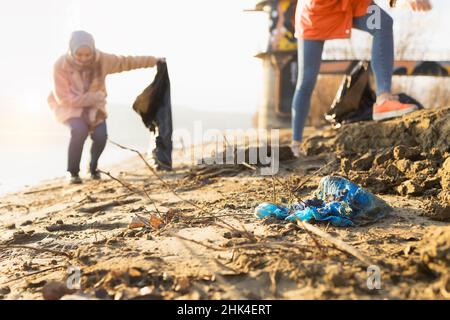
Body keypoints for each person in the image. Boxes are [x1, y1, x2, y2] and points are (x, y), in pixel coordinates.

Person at [291, 0, 433, 157]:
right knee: (306, 80)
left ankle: (384, 98)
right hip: (316, 12)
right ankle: (296, 143)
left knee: (382, 23)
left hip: (351, 3)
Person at [48, 30, 164, 184]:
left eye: (87, 54)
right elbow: (63, 98)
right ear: (71, 50)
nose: (83, 58)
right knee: (79, 131)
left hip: (95, 109)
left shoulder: (102, 60)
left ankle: (93, 168)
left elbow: (127, 62)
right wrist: (93, 97)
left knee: (101, 136)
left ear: (93, 50)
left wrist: (154, 61)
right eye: (79, 54)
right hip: (69, 108)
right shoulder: (60, 65)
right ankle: (72, 172)